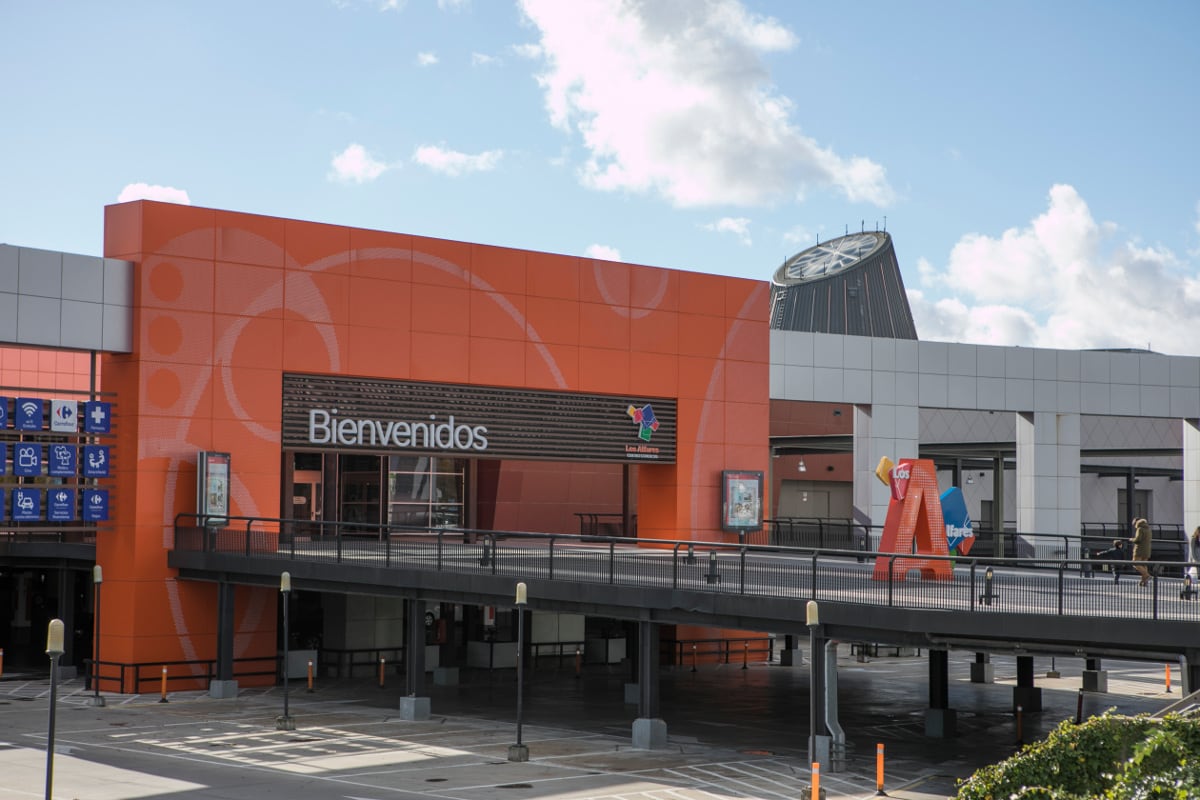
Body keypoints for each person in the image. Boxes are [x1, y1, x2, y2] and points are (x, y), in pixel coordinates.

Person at [1128, 518, 1152, 587]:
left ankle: (1147, 575)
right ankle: (1143, 582)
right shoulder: (1148, 529)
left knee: (1135, 563)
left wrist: (1132, 539)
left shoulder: (1140, 529)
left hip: (1139, 549)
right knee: (1144, 565)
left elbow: (1138, 540)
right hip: (1147, 550)